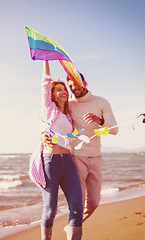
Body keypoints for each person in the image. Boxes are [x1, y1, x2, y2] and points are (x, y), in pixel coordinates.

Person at [42, 73, 118, 222]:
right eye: (69, 84)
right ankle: (74, 229)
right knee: (78, 203)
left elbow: (114, 130)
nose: (72, 87)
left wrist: (100, 121)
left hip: (96, 157)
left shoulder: (101, 102)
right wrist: (42, 136)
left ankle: (74, 225)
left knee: (94, 202)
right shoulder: (69, 104)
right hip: (77, 157)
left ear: (85, 82)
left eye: (76, 82)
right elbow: (49, 118)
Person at [29, 60, 83, 240]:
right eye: (58, 89)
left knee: (76, 206)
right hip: (50, 162)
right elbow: (45, 82)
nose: (63, 92)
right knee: (50, 209)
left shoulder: (68, 115)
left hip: (68, 162)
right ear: (52, 95)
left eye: (64, 89)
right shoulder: (48, 109)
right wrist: (46, 58)